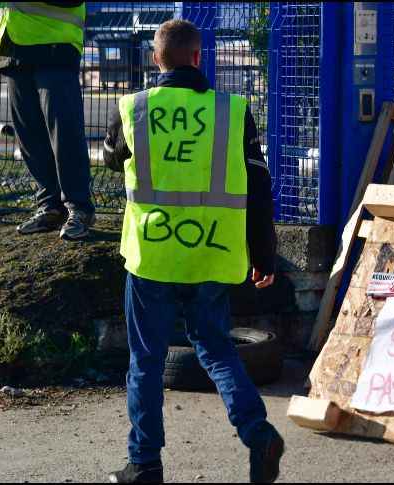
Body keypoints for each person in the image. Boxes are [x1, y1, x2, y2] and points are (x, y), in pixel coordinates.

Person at [102, 19, 283, 484]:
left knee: (146, 361)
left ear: (155, 60)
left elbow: (110, 158)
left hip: (153, 257)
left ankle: (144, 464)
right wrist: (263, 255)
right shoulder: (233, 111)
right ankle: (257, 432)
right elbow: (259, 187)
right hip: (212, 257)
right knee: (217, 348)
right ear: (200, 58)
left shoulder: (135, 109)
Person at [0, 2, 96, 240]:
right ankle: (49, 206)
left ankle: (79, 208)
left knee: (64, 133)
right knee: (30, 137)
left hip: (55, 45)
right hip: (14, 48)